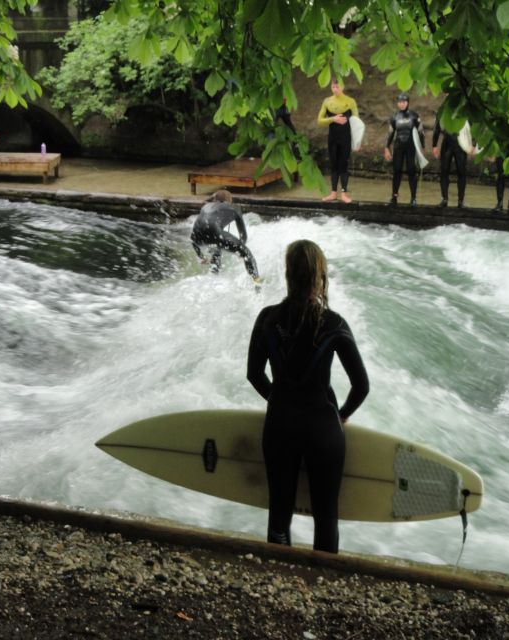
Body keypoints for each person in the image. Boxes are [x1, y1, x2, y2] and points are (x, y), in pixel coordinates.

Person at [247, 240, 369, 553]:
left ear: (288, 274)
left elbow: (254, 374)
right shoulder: (333, 323)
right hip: (322, 428)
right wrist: (340, 415)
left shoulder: (266, 318)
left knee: (279, 513)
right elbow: (361, 386)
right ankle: (323, 583)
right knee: (326, 515)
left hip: (280, 424)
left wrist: (278, 399)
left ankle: (279, 577)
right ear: (320, 277)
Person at [191, 189, 261, 282]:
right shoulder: (235, 208)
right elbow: (243, 235)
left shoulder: (205, 206)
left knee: (216, 246)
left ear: (215, 200)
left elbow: (194, 236)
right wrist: (240, 252)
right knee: (247, 254)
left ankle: (214, 275)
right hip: (215, 232)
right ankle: (257, 283)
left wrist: (200, 256)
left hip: (197, 237)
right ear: (230, 200)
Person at [317, 80, 359, 204]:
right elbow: (319, 120)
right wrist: (333, 119)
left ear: (343, 86)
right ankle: (333, 193)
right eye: (333, 86)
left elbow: (356, 123)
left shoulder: (350, 101)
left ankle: (344, 194)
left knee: (343, 165)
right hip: (333, 138)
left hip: (346, 138)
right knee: (334, 165)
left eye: (337, 86)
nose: (335, 89)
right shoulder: (327, 101)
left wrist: (357, 141)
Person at [383, 93, 425, 205]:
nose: (401, 104)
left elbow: (421, 132)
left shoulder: (414, 116)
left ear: (407, 102)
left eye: (403, 102)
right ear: (397, 103)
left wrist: (422, 148)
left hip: (411, 147)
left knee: (411, 171)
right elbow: (390, 133)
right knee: (397, 171)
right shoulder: (394, 116)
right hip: (398, 147)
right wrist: (386, 147)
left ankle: (413, 198)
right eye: (399, 102)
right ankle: (394, 196)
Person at [432, 120, 474, 208]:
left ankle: (461, 201)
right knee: (444, 171)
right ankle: (444, 199)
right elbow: (437, 128)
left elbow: (472, 128)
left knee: (462, 172)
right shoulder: (444, 112)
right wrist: (434, 145)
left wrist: (472, 144)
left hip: (461, 145)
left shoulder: (464, 112)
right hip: (447, 144)